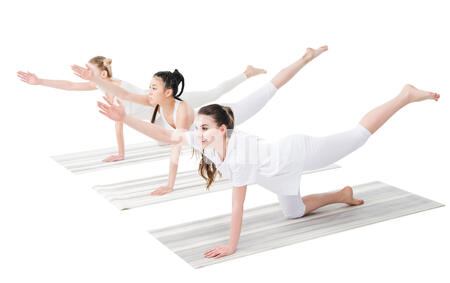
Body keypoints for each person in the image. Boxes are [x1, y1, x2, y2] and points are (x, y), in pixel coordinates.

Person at [98, 46, 438, 260]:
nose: (196, 134)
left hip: (297, 153)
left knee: (357, 136)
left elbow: (237, 205)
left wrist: (232, 246)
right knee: (295, 213)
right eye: (196, 128)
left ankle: (404, 96)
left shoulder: (238, 154)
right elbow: (165, 133)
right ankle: (342, 194)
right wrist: (125, 117)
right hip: (277, 176)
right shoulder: (204, 139)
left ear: (220, 130)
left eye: (203, 128)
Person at [74, 47, 325, 196]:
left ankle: (305, 59)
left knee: (270, 89)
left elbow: (175, 146)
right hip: (219, 131)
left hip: (232, 114)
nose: (148, 92)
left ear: (168, 92)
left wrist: (170, 184)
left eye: (153, 88)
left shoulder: (181, 111)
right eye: (149, 88)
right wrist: (96, 81)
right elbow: (126, 94)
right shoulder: (155, 102)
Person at [17, 57, 265, 163]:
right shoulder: (104, 88)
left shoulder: (116, 88)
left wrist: (121, 152)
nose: (87, 79)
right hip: (160, 118)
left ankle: (247, 73)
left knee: (213, 93)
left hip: (170, 103)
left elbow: (120, 121)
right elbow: (71, 85)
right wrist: (40, 81)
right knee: (177, 138)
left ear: (103, 75)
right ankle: (222, 140)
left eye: (91, 74)